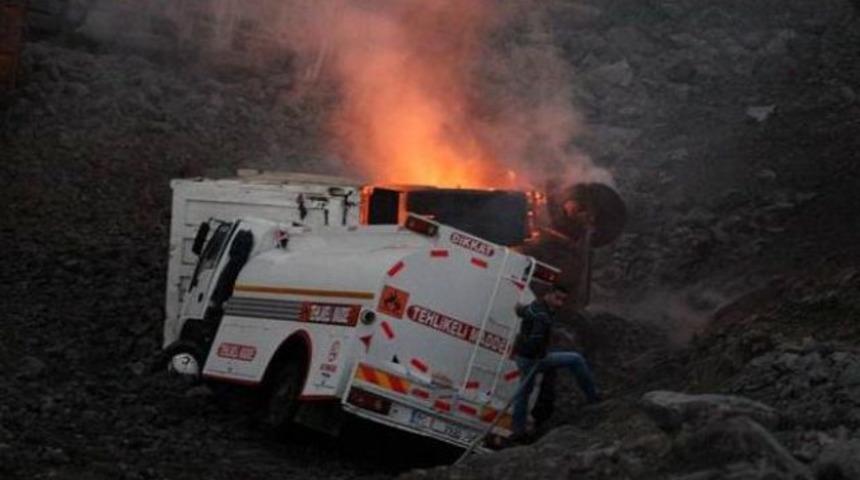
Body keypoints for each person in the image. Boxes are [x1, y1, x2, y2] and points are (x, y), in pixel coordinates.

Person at [509, 284, 599, 443]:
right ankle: (594, 398)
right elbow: (536, 338)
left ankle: (518, 430)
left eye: (562, 300)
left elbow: (523, 312)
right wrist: (538, 354)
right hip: (532, 359)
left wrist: (520, 309)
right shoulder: (542, 314)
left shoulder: (536, 307)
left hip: (525, 357)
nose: (559, 303)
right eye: (557, 298)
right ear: (548, 294)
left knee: (524, 392)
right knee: (575, 359)